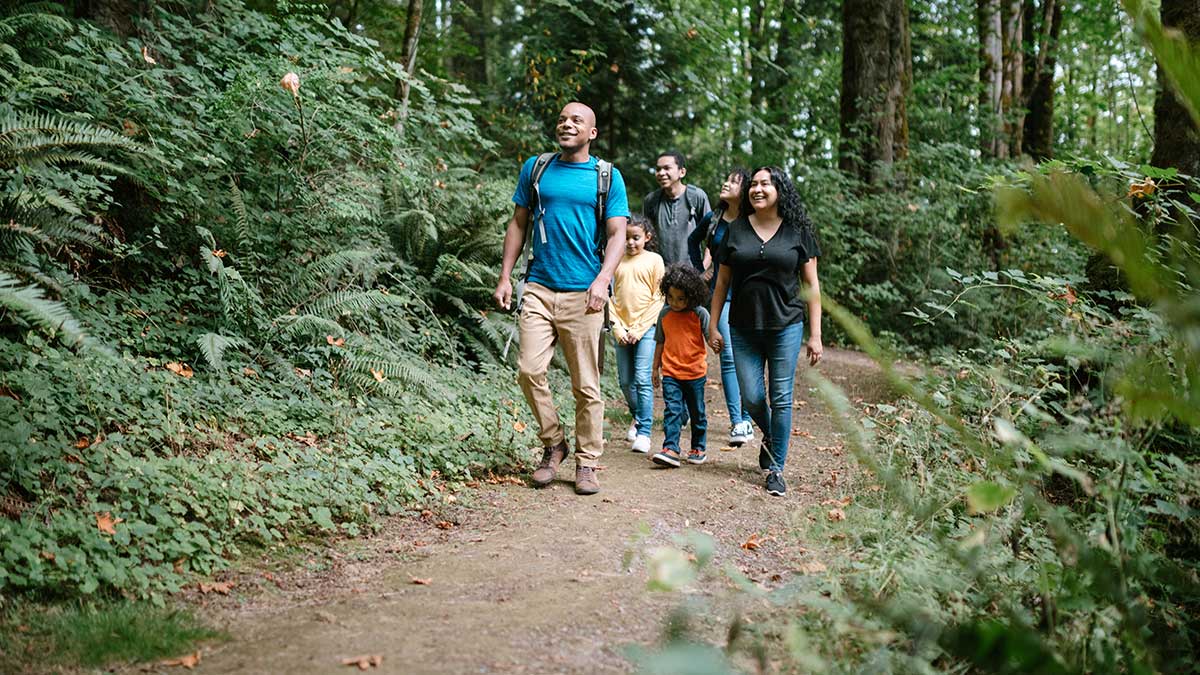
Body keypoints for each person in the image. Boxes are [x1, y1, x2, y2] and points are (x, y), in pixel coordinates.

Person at [492, 102, 630, 496]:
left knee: (586, 386)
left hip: (584, 294)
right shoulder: (536, 168)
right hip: (538, 286)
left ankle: (587, 462)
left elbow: (618, 234)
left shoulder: (607, 177)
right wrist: (505, 277)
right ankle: (554, 444)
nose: (567, 124)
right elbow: (519, 222)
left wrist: (603, 280)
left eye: (577, 121)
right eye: (562, 119)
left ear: (592, 133)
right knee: (528, 371)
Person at [709, 166, 823, 497]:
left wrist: (815, 335)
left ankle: (776, 468)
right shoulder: (735, 230)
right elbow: (722, 283)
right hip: (742, 326)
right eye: (753, 185)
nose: (758, 190)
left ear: (779, 190)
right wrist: (713, 325)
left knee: (782, 397)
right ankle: (773, 434)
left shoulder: (798, 232)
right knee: (752, 396)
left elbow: (812, 287)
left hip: (785, 325)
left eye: (765, 184)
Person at [689, 168, 755, 448]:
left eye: (733, 181)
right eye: (725, 178)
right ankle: (738, 420)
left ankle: (750, 416)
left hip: (751, 296)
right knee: (727, 354)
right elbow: (693, 241)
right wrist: (699, 271)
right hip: (722, 294)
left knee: (751, 358)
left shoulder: (754, 219)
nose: (725, 183)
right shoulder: (714, 218)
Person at [610, 214, 664, 454]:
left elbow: (658, 297)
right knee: (625, 382)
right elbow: (608, 297)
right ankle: (639, 417)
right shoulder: (614, 260)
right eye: (627, 237)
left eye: (636, 238)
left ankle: (644, 433)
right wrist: (618, 327)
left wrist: (639, 330)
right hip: (621, 329)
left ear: (647, 237)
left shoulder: (654, 260)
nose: (631, 242)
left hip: (646, 329)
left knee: (642, 379)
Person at [651, 264, 712, 468]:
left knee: (697, 412)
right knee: (672, 410)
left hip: (695, 372)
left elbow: (710, 337)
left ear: (691, 296)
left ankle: (698, 447)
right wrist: (654, 368)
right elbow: (660, 341)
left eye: (681, 299)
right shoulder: (664, 315)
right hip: (671, 373)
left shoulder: (700, 314)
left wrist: (717, 343)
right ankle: (671, 448)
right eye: (670, 297)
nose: (675, 303)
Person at [642, 151, 711, 269]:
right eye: (658, 169)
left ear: (682, 172)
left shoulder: (696, 196)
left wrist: (702, 269)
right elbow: (644, 239)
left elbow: (711, 236)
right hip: (661, 274)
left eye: (667, 168)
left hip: (692, 273)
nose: (661, 173)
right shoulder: (651, 200)